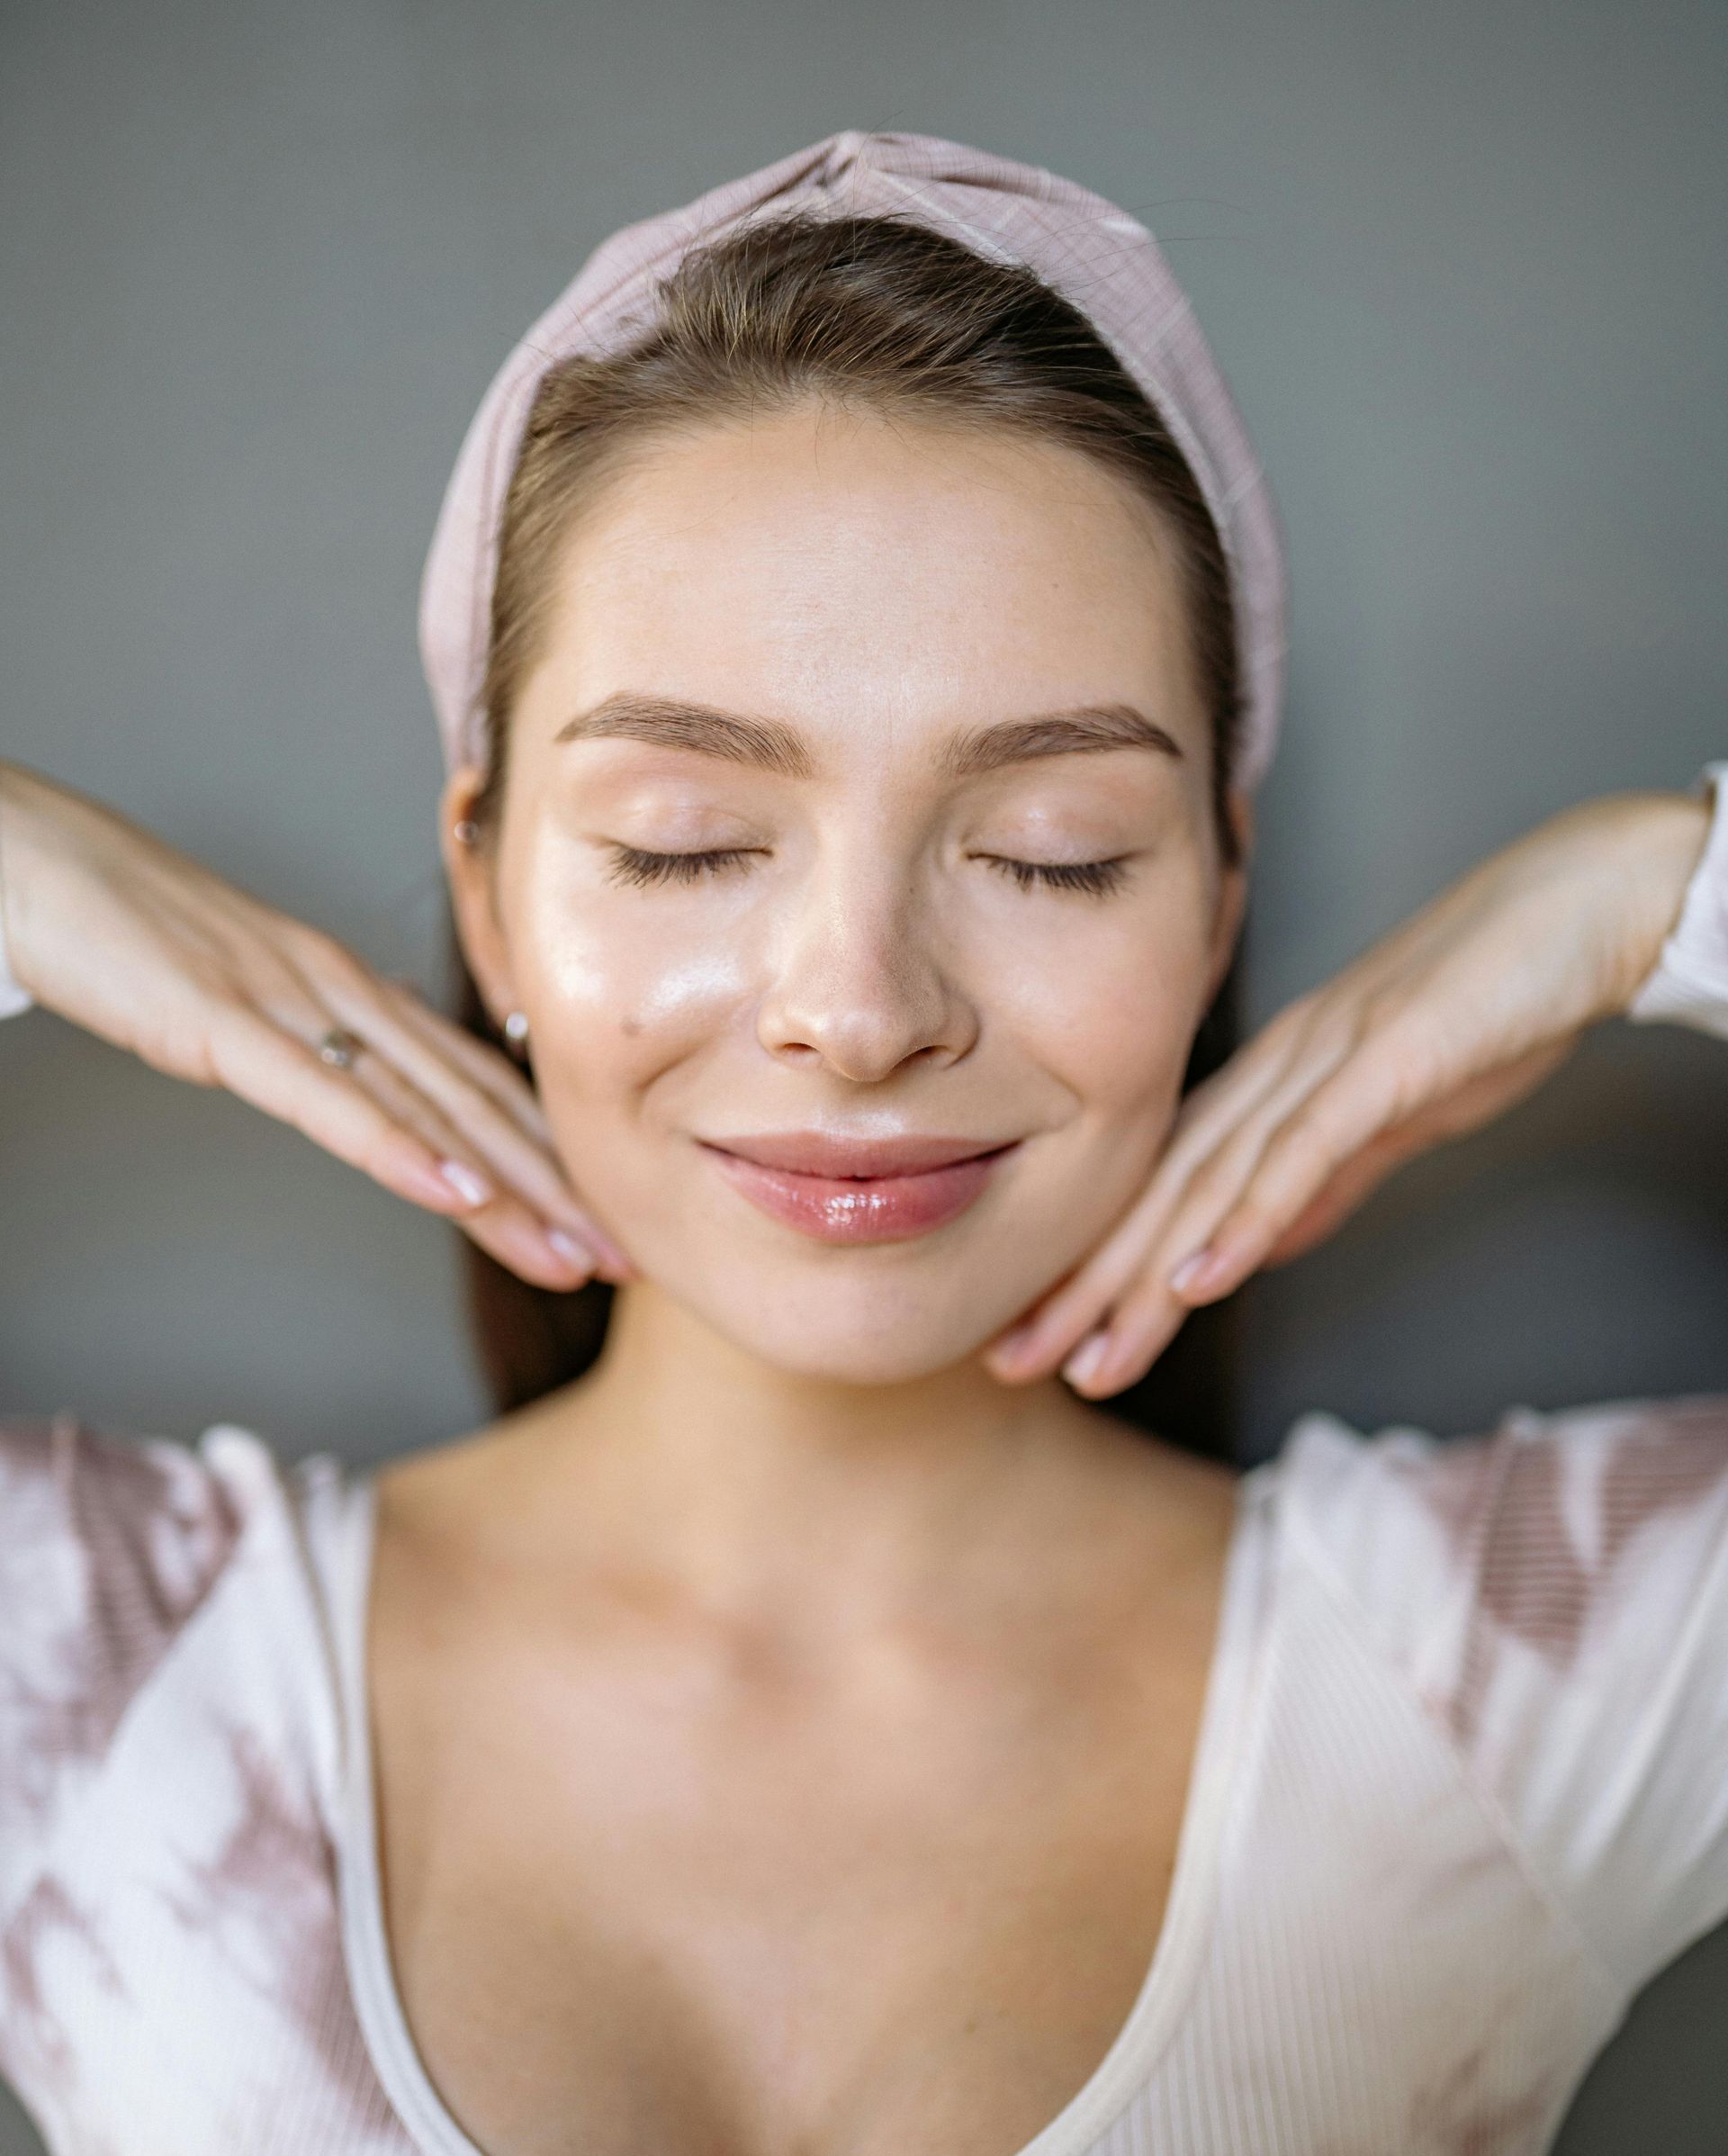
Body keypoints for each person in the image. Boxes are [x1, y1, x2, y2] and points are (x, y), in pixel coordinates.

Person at [0, 129, 1724, 2156]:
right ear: (486, 898)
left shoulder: (1528, 1672)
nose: (864, 1006)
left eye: (1050, 855)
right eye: (686, 841)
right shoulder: (96, 1661)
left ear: (1221, 900)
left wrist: (1639, 895)